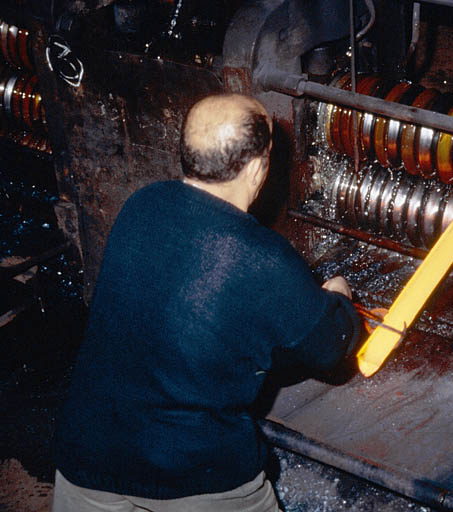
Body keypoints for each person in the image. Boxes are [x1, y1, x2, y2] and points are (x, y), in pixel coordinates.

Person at [52, 94, 360, 512]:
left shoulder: (142, 204)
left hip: (86, 454)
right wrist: (336, 299)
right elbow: (329, 349)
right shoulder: (263, 258)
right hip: (194, 473)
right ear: (256, 168)